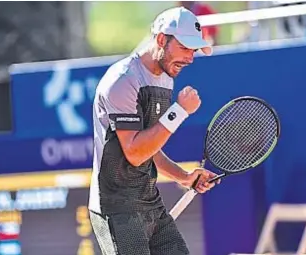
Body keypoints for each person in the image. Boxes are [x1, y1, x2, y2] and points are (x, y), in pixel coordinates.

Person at [88, 7, 220, 255]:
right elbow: (135, 153)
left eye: (193, 50)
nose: (190, 58)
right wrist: (179, 111)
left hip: (149, 203)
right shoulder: (123, 80)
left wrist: (184, 176)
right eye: (184, 48)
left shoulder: (165, 78)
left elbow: (150, 147)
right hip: (117, 209)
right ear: (161, 39)